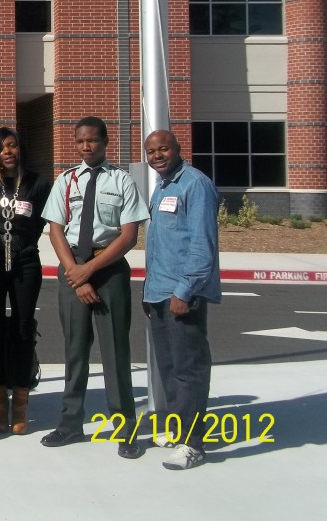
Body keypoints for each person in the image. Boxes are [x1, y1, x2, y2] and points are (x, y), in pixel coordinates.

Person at [40, 116, 149, 458]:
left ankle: (126, 430)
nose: (86, 147)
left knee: (116, 353)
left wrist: (89, 270)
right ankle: (70, 425)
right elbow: (55, 229)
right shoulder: (66, 180)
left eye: (93, 141)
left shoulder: (122, 181)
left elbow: (129, 235)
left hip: (109, 271)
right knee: (75, 352)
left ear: (105, 142)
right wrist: (75, 273)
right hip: (73, 269)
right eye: (80, 141)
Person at [143, 129, 221, 470]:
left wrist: (184, 291)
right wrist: (151, 293)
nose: (157, 155)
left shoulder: (195, 184)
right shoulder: (162, 186)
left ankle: (194, 444)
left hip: (180, 295)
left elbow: (202, 245)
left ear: (177, 149)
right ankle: (178, 431)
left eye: (163, 149)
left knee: (189, 369)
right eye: (151, 151)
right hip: (159, 292)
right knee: (170, 367)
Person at [0, 127, 51, 435]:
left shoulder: (39, 183)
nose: (8, 152)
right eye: (2, 147)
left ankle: (20, 400)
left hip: (25, 263)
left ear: (21, 150)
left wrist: (21, 246)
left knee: (21, 328)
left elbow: (45, 222)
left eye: (13, 146)